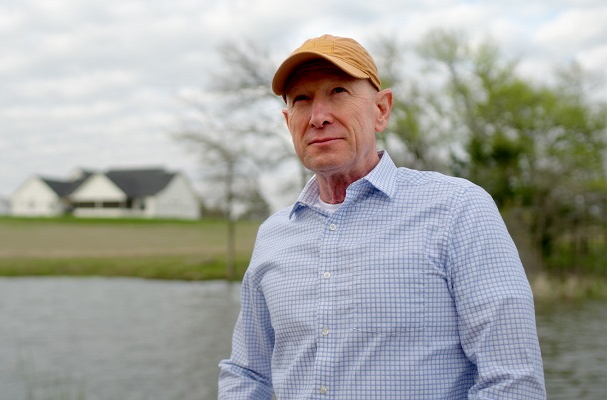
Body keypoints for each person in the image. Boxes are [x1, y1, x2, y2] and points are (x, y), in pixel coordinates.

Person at [218, 34, 546, 399]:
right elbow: (247, 372)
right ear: (288, 120)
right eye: (301, 99)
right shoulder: (273, 234)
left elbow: (514, 383)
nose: (318, 117)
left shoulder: (458, 209)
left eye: (338, 91)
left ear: (381, 110)